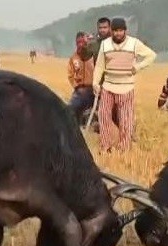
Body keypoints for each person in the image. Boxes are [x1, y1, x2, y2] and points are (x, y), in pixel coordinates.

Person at [92, 17, 156, 153]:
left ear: (125, 31)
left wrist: (138, 67)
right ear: (111, 31)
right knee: (103, 117)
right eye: (115, 31)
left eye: (121, 31)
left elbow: (151, 55)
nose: (118, 34)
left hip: (126, 87)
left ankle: (124, 148)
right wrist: (95, 83)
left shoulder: (134, 43)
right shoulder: (105, 44)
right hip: (108, 86)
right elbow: (99, 66)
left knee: (126, 120)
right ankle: (105, 146)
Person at [66, 31, 94, 123]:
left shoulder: (94, 55)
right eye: (79, 42)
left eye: (83, 42)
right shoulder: (73, 58)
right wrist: (76, 86)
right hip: (80, 90)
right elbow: (70, 75)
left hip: (94, 89)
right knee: (70, 110)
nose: (81, 45)